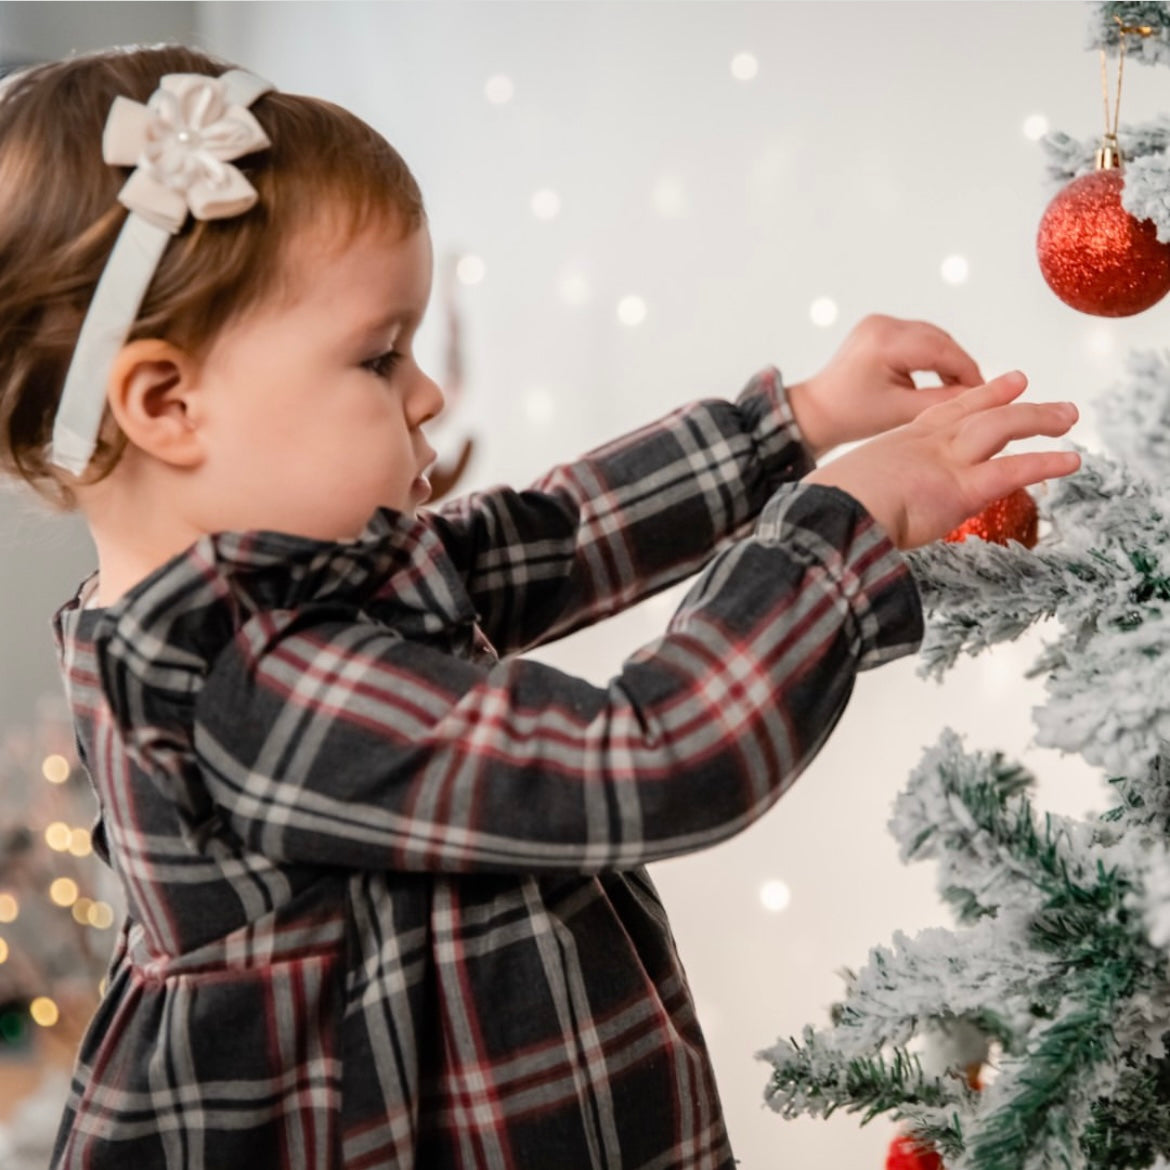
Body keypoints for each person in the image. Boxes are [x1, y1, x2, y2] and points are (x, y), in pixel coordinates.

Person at [0, 43, 1079, 1170]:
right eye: (378, 358)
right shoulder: (243, 680)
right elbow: (650, 761)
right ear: (169, 402)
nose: (425, 393)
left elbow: (552, 534)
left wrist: (793, 422)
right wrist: (835, 527)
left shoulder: (307, 585)